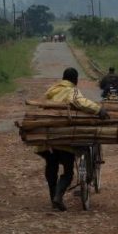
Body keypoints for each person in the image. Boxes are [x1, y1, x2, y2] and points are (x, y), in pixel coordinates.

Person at [37, 67, 109, 211]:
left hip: (48, 139)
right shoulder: (72, 90)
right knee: (68, 172)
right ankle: (58, 196)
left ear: (63, 78)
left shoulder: (51, 91)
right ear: (75, 80)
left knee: (51, 168)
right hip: (64, 137)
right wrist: (98, 109)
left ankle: (53, 199)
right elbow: (79, 102)